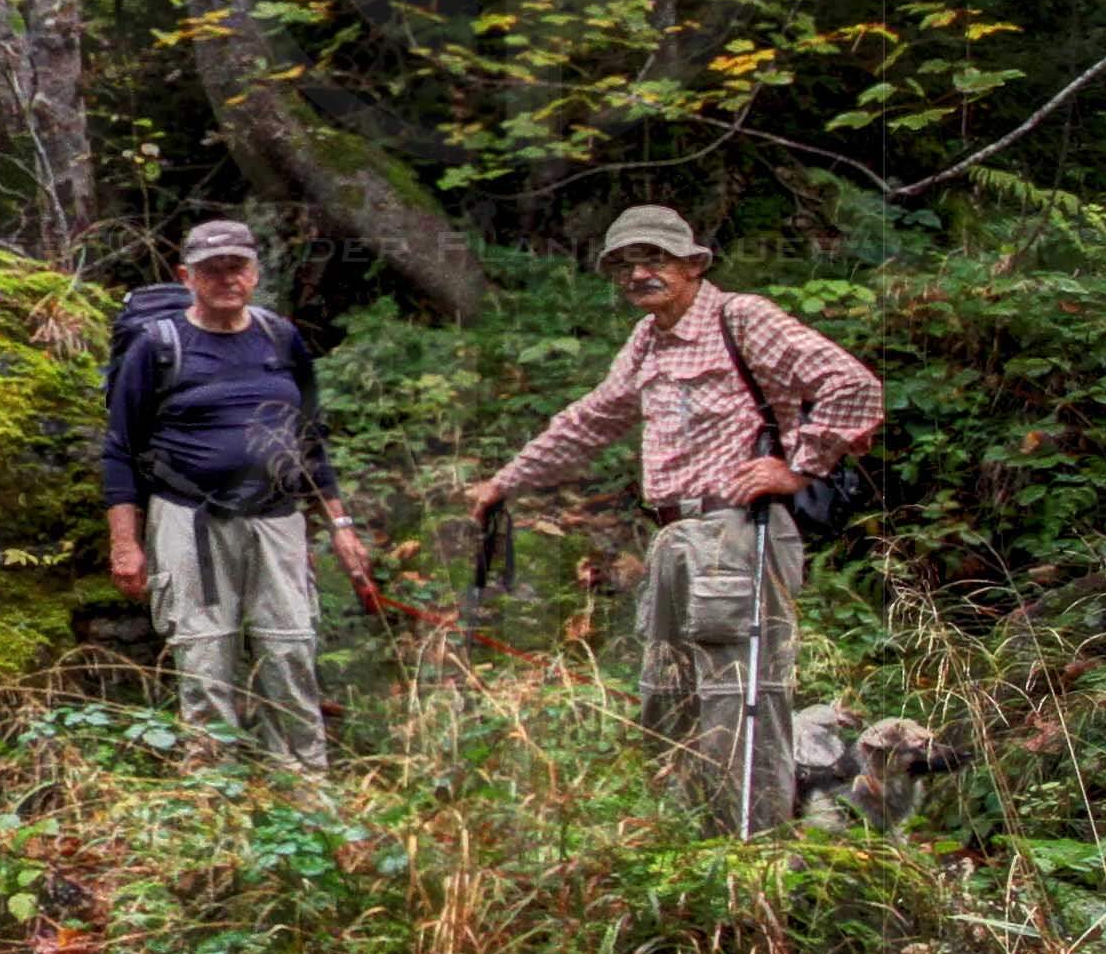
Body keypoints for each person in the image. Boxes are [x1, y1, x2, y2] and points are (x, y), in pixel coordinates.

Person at [465, 204, 884, 833]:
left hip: (738, 533)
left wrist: (798, 465)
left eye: (654, 257)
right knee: (669, 696)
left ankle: (756, 847)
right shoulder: (646, 342)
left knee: (739, 696)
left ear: (692, 264)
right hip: (674, 539)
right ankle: (691, 845)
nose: (639, 273)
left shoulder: (741, 318)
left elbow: (853, 386)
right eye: (626, 263)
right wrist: (505, 483)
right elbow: (590, 420)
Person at [101, 220, 368, 766]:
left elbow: (310, 438)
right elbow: (120, 449)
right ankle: (214, 798)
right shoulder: (158, 347)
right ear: (186, 277)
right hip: (188, 518)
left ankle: (303, 789)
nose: (227, 278)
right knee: (204, 659)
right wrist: (125, 544)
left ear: (255, 273)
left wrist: (340, 526)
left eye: (237, 267)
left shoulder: (280, 337)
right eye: (212, 269)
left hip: (278, 519)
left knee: (290, 649)